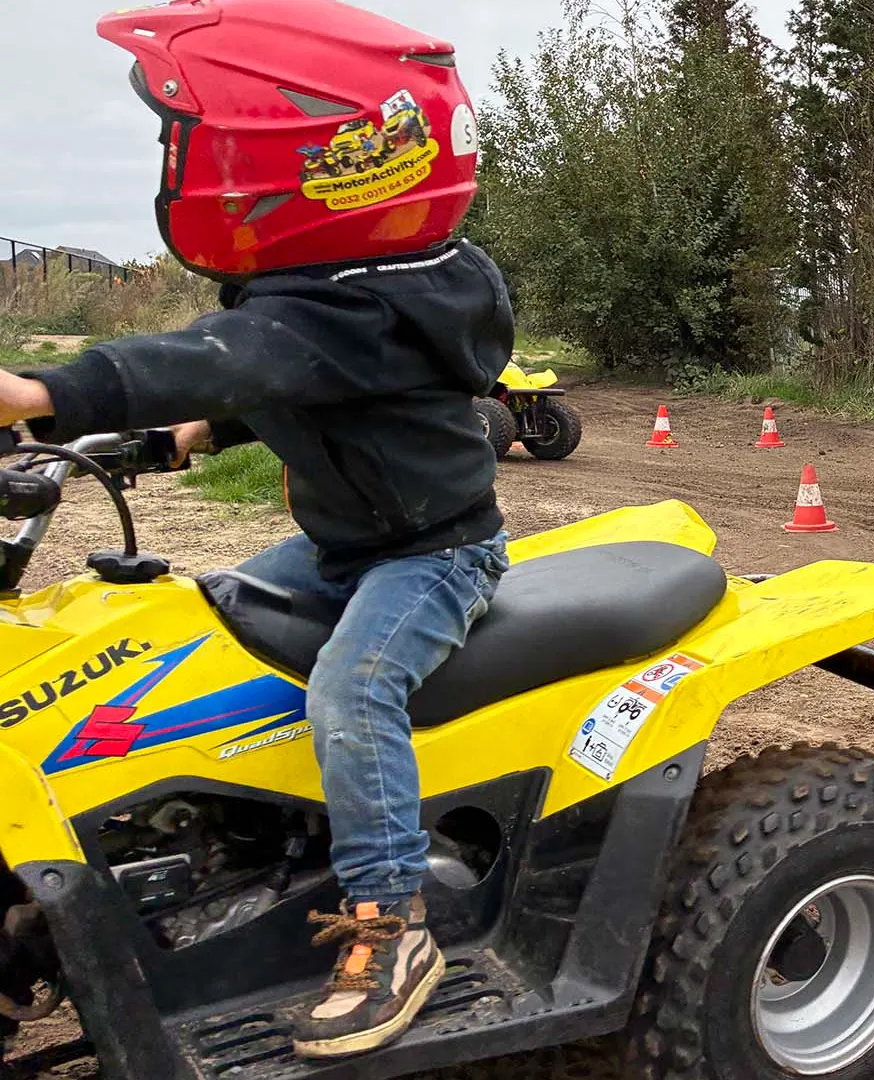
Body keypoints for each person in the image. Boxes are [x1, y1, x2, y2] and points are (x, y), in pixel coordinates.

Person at [0, 0, 513, 1060]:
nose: (192, 165)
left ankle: (391, 922)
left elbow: (237, 355)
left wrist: (44, 391)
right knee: (196, 626)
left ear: (314, 162)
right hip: (345, 549)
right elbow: (281, 376)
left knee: (351, 692)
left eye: (201, 143)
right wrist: (193, 431)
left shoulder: (360, 300)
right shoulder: (344, 289)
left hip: (433, 557)